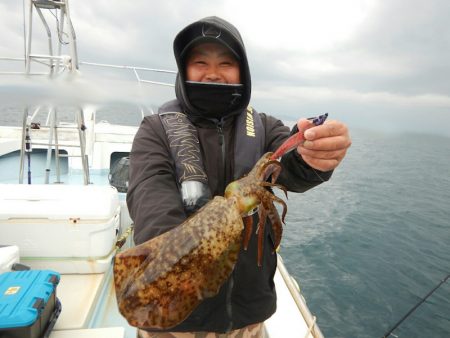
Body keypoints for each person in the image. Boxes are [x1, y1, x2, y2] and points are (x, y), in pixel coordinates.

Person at [126, 16, 351, 338]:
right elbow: (149, 196)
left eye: (226, 63)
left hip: (246, 315)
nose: (214, 72)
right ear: (183, 70)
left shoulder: (266, 127)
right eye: (200, 62)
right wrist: (182, 260)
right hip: (174, 320)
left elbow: (289, 170)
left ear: (242, 72)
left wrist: (314, 159)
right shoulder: (156, 129)